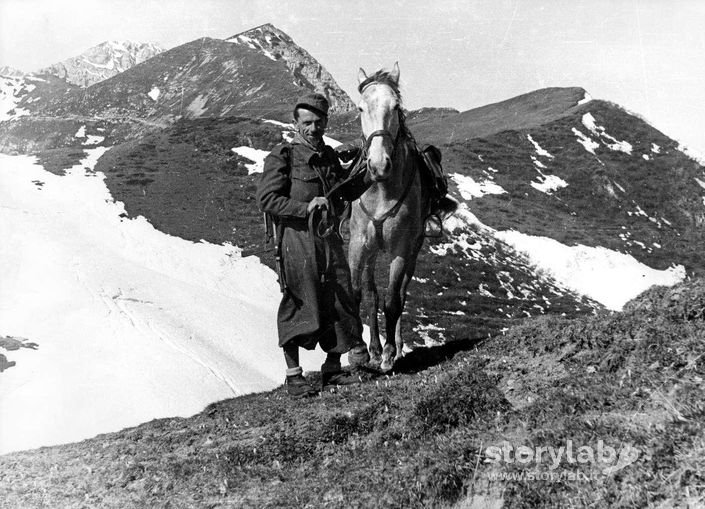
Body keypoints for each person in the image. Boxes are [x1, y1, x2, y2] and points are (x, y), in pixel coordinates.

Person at [256, 92, 371, 398]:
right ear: (296, 123)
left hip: (328, 237)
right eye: (306, 122)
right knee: (299, 298)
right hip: (297, 239)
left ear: (326, 123)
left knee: (340, 297)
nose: (313, 128)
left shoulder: (329, 156)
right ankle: (294, 376)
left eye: (318, 122)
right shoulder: (283, 156)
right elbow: (267, 199)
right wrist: (304, 208)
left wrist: (369, 172)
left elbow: (344, 192)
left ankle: (332, 369)